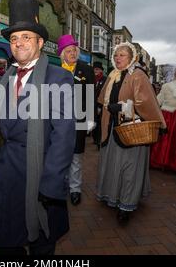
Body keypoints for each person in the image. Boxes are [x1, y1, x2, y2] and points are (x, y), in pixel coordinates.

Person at [0, 0, 76, 255]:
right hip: (7, 170)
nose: (18, 43)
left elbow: (64, 135)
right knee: (4, 241)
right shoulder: (5, 79)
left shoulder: (59, 78)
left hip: (40, 171)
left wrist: (52, 182)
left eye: (26, 37)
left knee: (41, 243)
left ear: (40, 42)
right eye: (13, 38)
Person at [96, 42, 165, 224]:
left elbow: (146, 104)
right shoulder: (113, 75)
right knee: (113, 164)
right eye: (116, 55)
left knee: (129, 169)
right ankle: (113, 196)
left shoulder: (138, 75)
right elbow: (102, 100)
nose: (118, 58)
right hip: (113, 129)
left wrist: (121, 107)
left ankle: (126, 205)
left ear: (132, 58)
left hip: (132, 131)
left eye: (122, 55)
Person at [58, 34, 95, 206]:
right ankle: (61, 185)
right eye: (69, 51)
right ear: (62, 54)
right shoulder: (56, 70)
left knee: (76, 156)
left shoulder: (85, 69)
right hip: (59, 121)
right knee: (59, 153)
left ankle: (75, 189)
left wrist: (90, 119)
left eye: (74, 51)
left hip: (79, 119)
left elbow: (90, 95)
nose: (72, 54)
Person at [93, 62, 106, 148]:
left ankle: (98, 141)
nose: (95, 71)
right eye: (94, 69)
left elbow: (104, 93)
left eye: (97, 69)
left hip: (100, 105)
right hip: (92, 104)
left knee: (99, 123)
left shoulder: (104, 79)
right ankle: (95, 139)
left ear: (101, 70)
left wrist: (100, 106)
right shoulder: (92, 79)